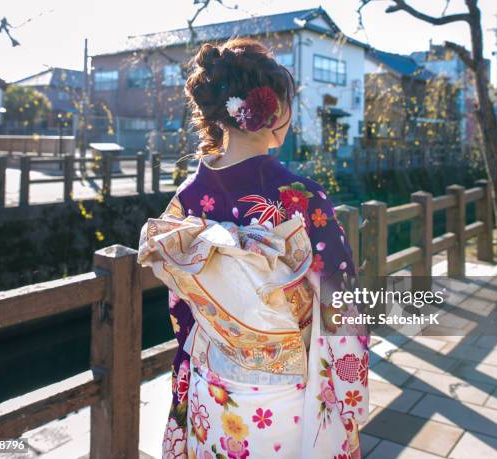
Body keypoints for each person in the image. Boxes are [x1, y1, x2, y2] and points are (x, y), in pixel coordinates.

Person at [138, 37, 369, 459]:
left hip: (213, 387)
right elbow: (343, 305)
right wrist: (350, 394)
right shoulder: (300, 197)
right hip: (283, 397)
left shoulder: (187, 199)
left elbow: (182, 306)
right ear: (273, 110)